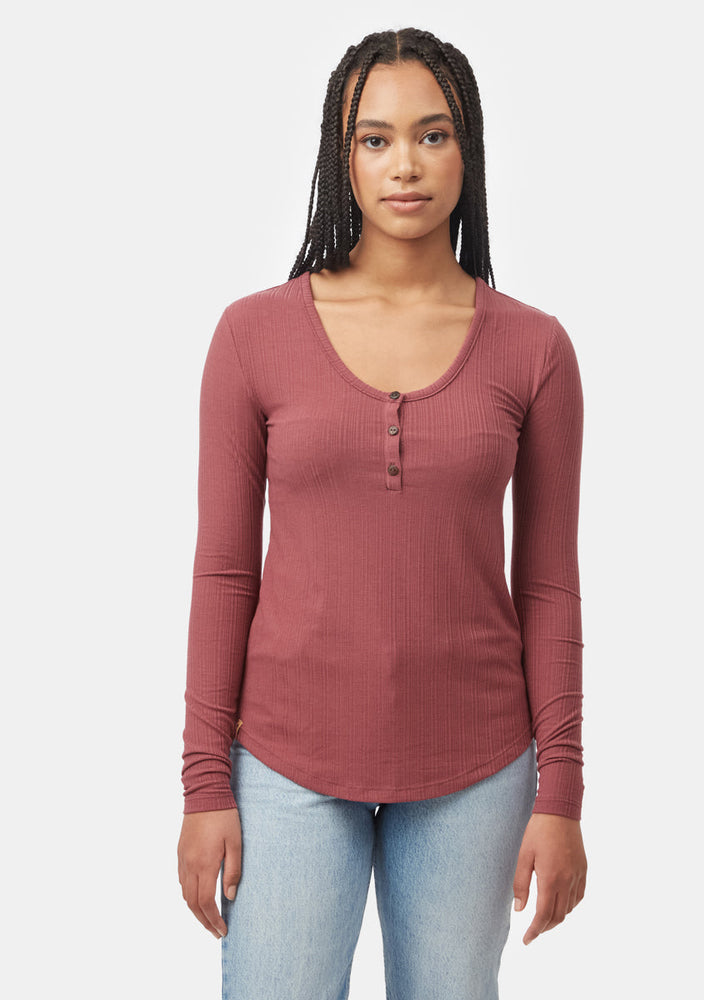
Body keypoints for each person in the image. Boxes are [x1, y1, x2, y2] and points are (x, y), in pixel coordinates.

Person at [177, 25, 588, 1000]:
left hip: (476, 765)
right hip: (285, 761)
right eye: (375, 138)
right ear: (343, 156)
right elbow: (225, 573)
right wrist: (203, 784)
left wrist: (562, 793)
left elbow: (546, 584)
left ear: (467, 150)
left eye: (432, 134)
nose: (404, 163)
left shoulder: (534, 350)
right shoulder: (251, 336)